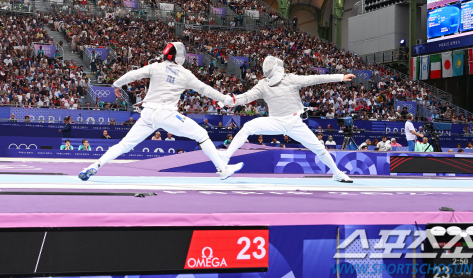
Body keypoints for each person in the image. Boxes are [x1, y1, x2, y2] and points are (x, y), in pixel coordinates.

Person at [79, 42, 241, 181]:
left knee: (124, 145)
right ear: (180, 56)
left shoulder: (156, 66)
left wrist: (116, 84)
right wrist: (225, 99)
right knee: (201, 135)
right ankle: (222, 169)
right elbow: (205, 90)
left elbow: (134, 74)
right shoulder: (185, 74)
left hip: (148, 114)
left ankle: (94, 166)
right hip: (167, 114)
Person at [219, 56, 353, 182]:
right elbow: (247, 97)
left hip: (294, 123)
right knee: (247, 127)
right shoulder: (263, 84)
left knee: (319, 148)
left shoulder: (290, 79)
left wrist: (341, 77)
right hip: (275, 121)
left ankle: (337, 173)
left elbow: (314, 78)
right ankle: (226, 156)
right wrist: (231, 100)